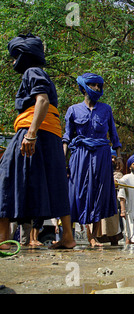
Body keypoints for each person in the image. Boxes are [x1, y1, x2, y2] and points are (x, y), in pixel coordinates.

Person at [0, 34, 76, 250]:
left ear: (24, 55)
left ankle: (3, 238)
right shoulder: (41, 74)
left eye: (15, 56)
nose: (13, 62)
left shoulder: (31, 72)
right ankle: (68, 237)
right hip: (50, 135)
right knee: (55, 181)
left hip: (34, 132)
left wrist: (31, 134)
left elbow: (41, 100)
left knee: (6, 175)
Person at [63, 73, 123, 247]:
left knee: (99, 192)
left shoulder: (106, 109)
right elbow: (67, 136)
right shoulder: (73, 110)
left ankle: (93, 236)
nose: (97, 88)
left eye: (99, 85)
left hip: (102, 155)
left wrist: (118, 155)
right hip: (80, 154)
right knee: (78, 192)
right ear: (84, 88)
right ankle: (76, 235)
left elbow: (114, 134)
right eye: (93, 85)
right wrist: (63, 158)